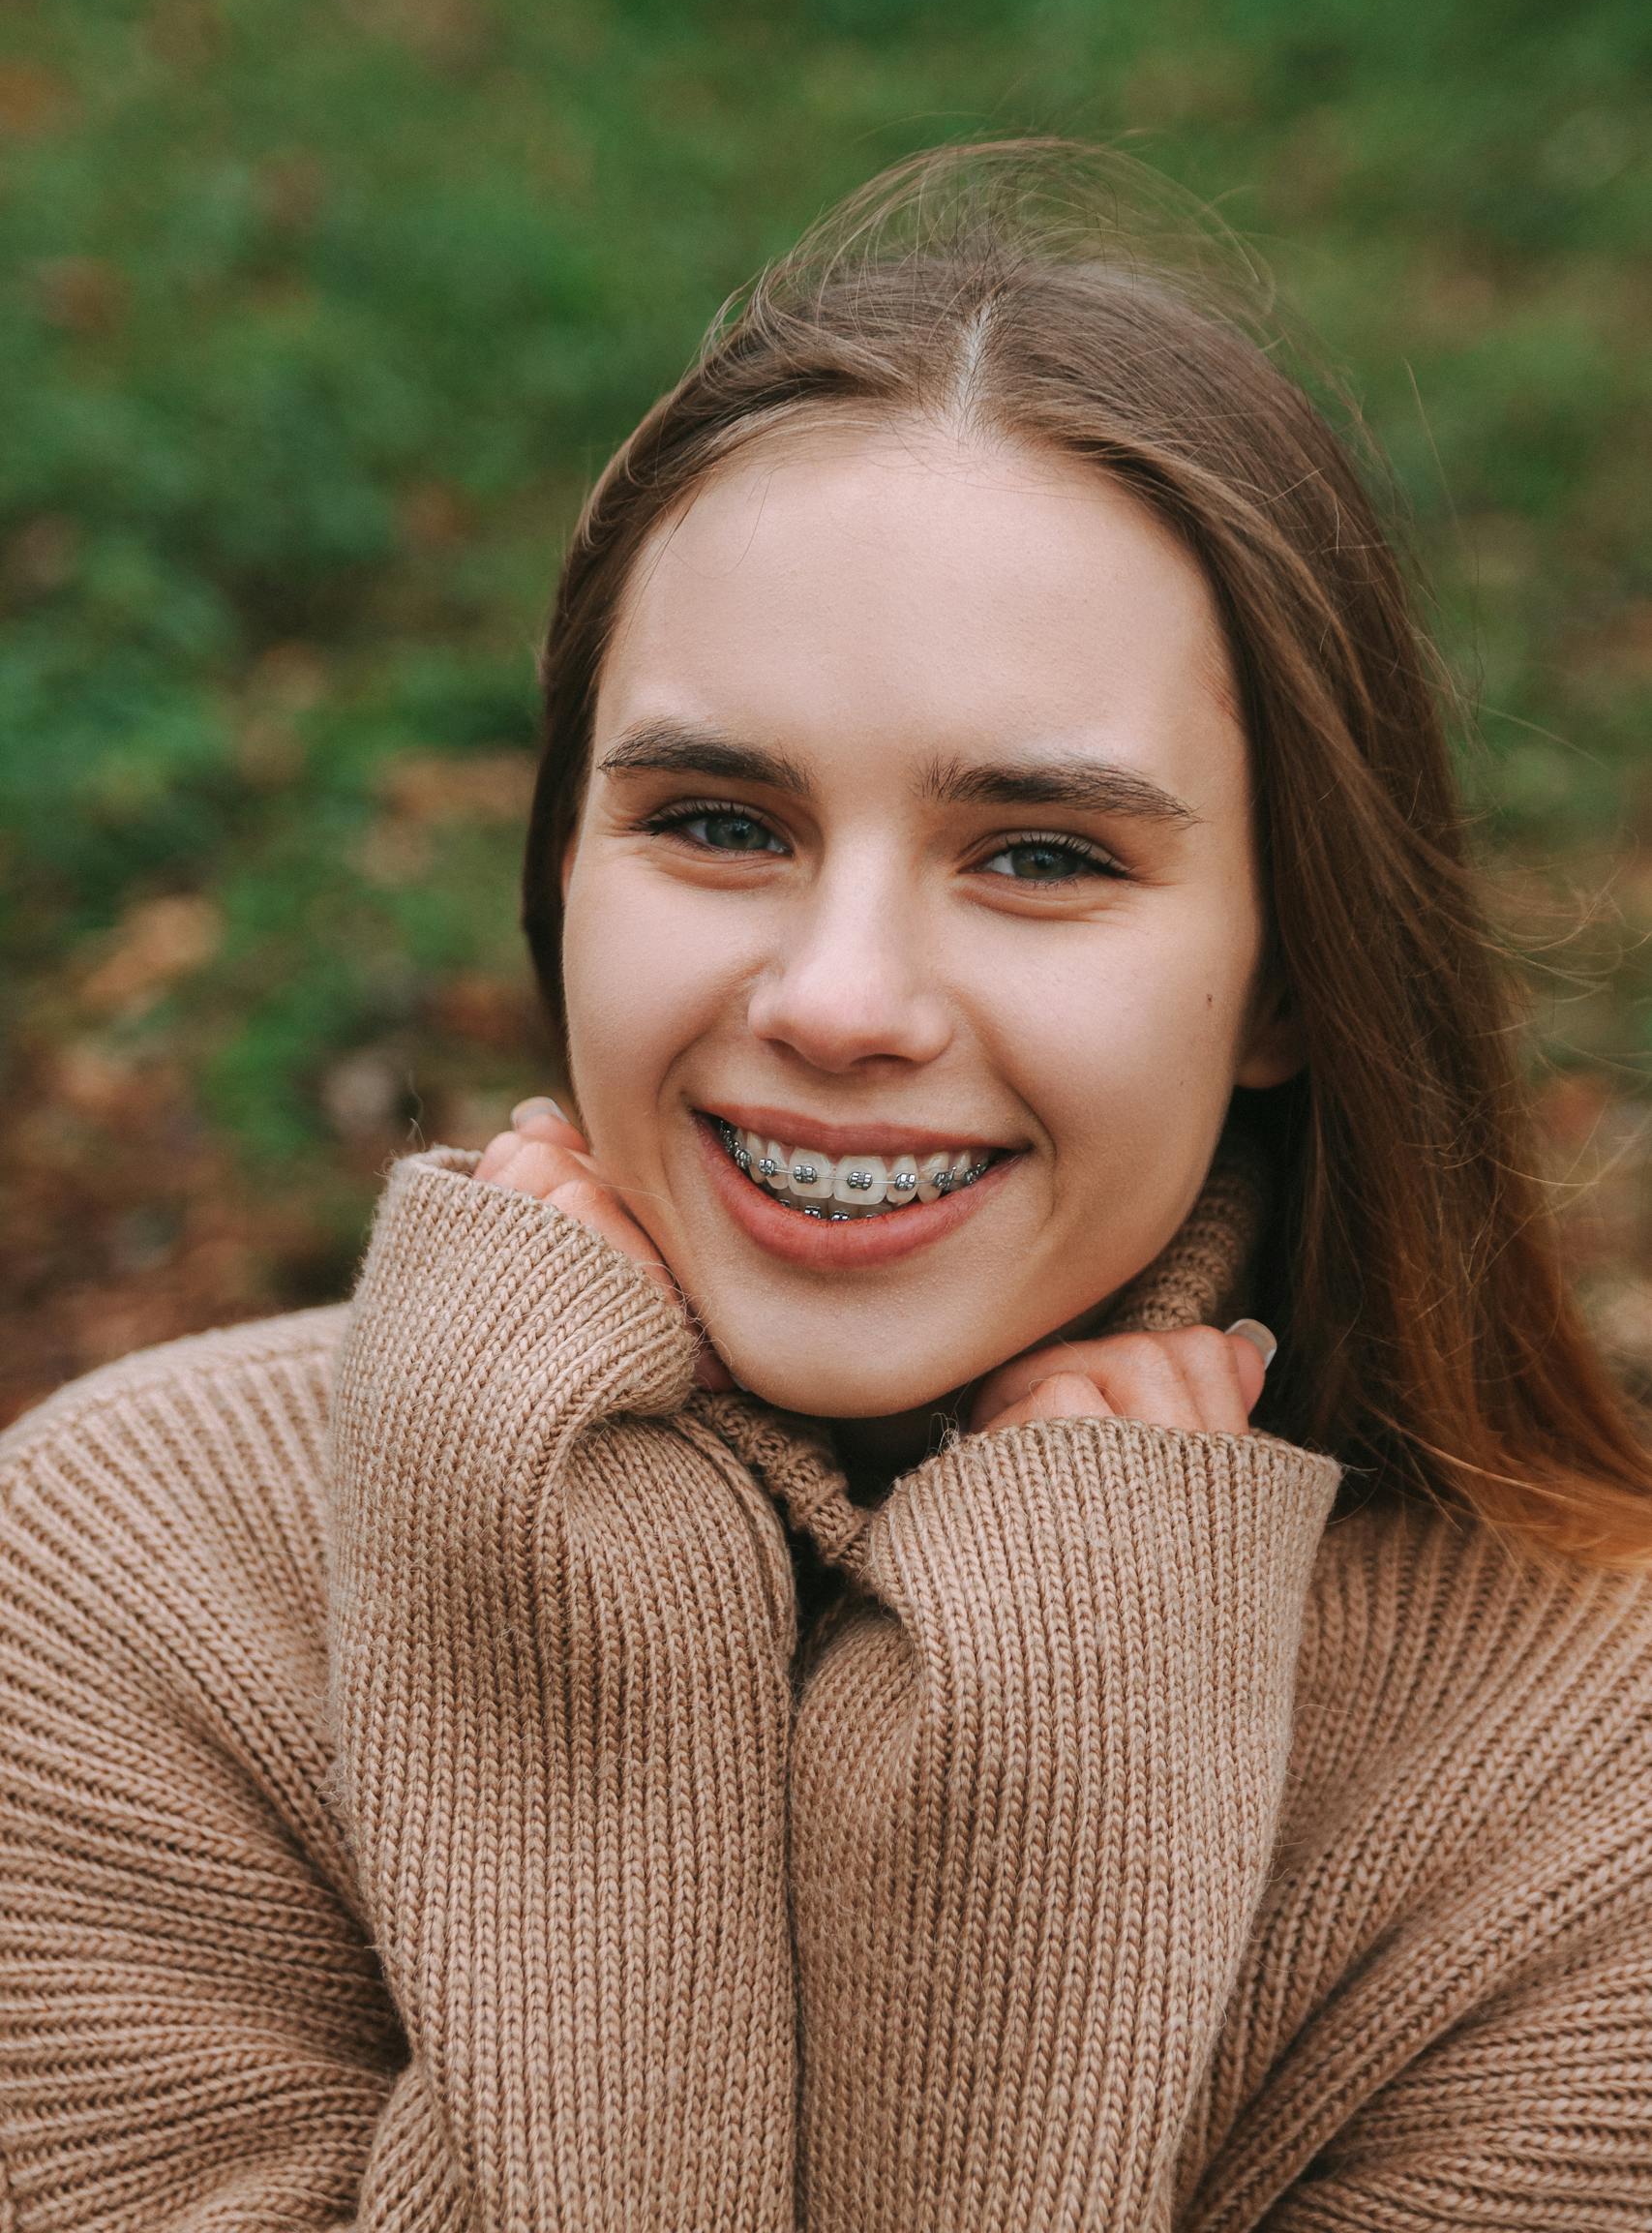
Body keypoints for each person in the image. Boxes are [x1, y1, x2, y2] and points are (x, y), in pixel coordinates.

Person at [2, 139, 1649, 2231]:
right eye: (714, 819)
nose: (840, 996)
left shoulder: (1584, 1788)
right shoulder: (129, 1582)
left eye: (1040, 853)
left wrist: (1040, 1782)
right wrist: (565, 1636)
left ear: (1289, 973)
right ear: (564, 876)